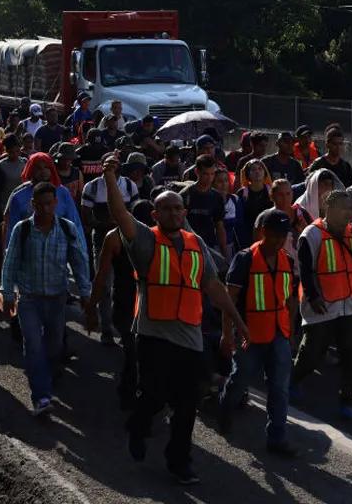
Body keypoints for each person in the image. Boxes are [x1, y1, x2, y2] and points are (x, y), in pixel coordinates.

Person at [96, 155, 248, 486]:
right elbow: (120, 215)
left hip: (189, 336)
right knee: (154, 396)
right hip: (153, 335)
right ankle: (138, 426)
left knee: (187, 401)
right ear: (155, 214)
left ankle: (179, 461)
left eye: (179, 209)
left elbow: (214, 288)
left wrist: (236, 321)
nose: (175, 213)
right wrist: (110, 177)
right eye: (167, 209)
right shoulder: (145, 240)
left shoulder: (196, 245)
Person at [0, 182, 91, 415]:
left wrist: (86, 293)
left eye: (49, 203)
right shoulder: (23, 229)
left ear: (56, 204)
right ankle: (41, 396)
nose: (45, 209)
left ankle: (47, 379)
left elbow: (79, 262)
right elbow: (10, 263)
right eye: (40, 204)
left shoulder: (67, 229)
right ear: (33, 205)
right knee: (33, 345)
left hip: (57, 299)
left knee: (54, 346)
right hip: (29, 299)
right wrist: (7, 292)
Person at [217, 209, 300, 458]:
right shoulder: (244, 259)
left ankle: (277, 437)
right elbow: (229, 299)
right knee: (239, 381)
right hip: (249, 336)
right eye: (274, 235)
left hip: (279, 333)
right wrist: (227, 334)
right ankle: (225, 410)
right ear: (263, 232)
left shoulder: (287, 259)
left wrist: (291, 330)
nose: (278, 240)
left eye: (283, 235)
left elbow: (291, 298)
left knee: (279, 388)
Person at [291, 191, 352, 423]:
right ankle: (293, 380)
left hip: (350, 304)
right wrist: (313, 296)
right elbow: (305, 269)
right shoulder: (312, 234)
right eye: (344, 208)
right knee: (313, 353)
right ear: (329, 208)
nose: (349, 213)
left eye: (350, 209)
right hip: (322, 305)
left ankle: (346, 401)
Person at [85, 199, 155, 410]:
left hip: (148, 307)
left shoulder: (159, 237)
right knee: (135, 352)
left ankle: (140, 392)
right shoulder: (115, 238)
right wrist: (92, 309)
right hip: (126, 306)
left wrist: (92, 310)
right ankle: (130, 393)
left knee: (143, 354)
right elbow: (101, 275)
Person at [81, 159, 141, 346]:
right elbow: (87, 217)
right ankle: (106, 328)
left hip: (127, 243)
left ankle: (126, 330)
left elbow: (135, 214)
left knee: (127, 287)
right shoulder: (92, 187)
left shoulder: (129, 186)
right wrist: (107, 225)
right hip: (101, 241)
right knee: (105, 286)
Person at [180, 154, 231, 265]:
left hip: (208, 248)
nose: (209, 178)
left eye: (212, 174)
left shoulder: (216, 197)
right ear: (197, 172)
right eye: (205, 174)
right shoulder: (185, 195)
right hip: (186, 248)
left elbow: (219, 226)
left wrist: (225, 255)